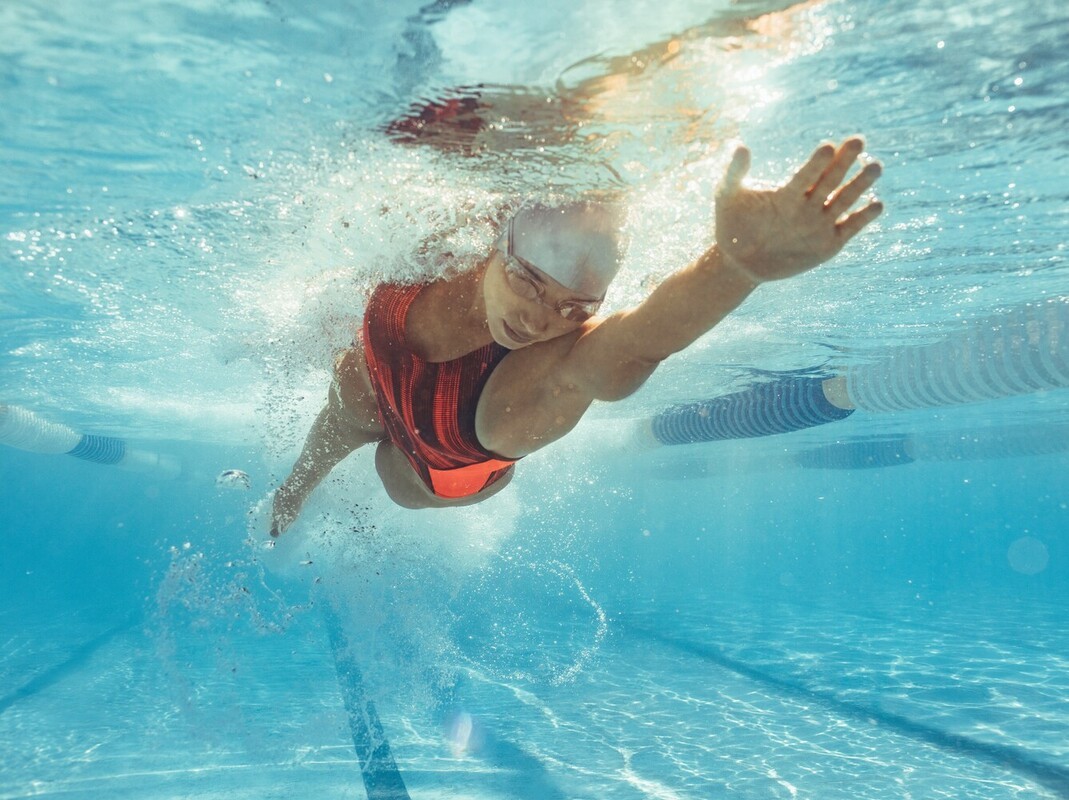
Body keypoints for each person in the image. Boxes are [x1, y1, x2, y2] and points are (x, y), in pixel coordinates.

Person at [270, 137, 883, 536]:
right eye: (530, 283)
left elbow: (641, 339)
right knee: (351, 389)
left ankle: (341, 500)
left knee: (390, 472)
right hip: (384, 383)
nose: (540, 320)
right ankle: (291, 495)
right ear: (496, 242)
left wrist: (738, 266)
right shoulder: (447, 236)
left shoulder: (538, 385)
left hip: (443, 466)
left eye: (574, 306)